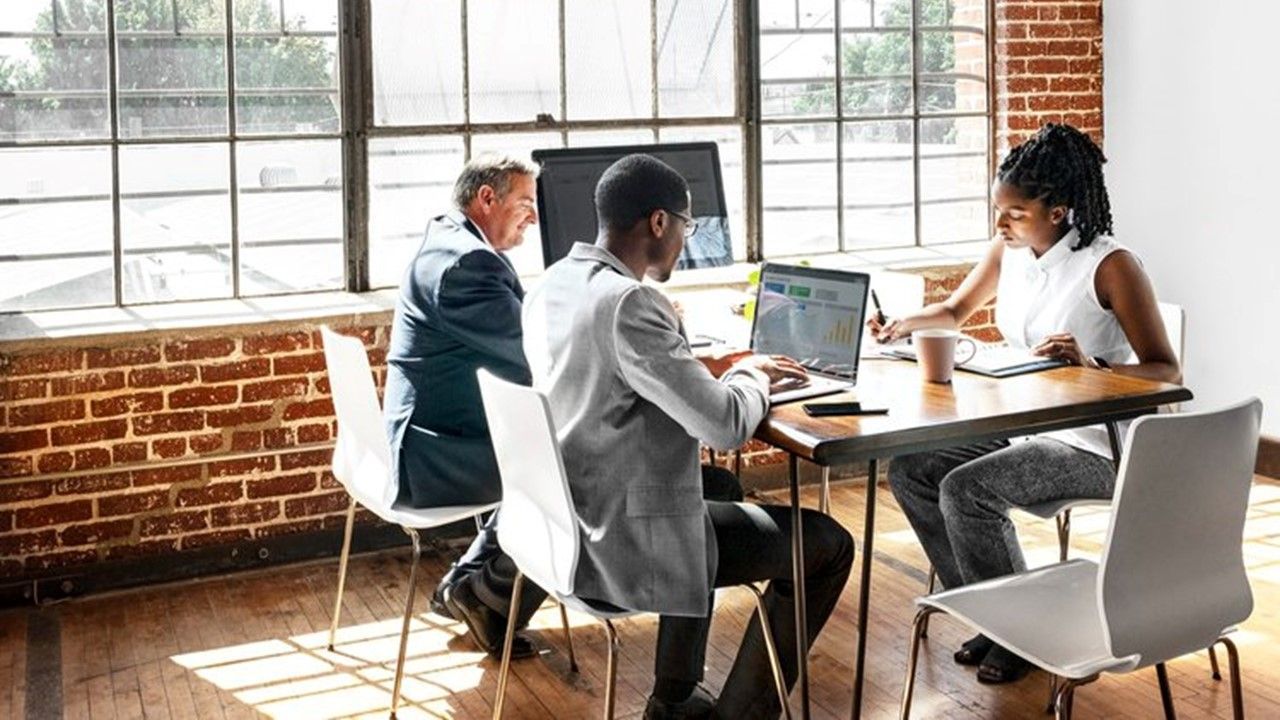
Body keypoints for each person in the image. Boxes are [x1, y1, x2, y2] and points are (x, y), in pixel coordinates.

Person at [523, 153, 855, 720]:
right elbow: (724, 424)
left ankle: (674, 695)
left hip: (564, 520)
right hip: (618, 542)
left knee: (719, 486)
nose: (684, 237)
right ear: (659, 223)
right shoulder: (631, 302)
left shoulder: (555, 282)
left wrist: (696, 363)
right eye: (686, 224)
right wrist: (751, 373)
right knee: (828, 546)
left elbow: (613, 372)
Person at [869, 123, 1182, 684]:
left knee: (967, 488)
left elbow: (1166, 369)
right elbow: (955, 312)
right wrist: (900, 325)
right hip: (1026, 425)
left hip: (1100, 443)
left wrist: (1095, 368)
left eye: (1014, 213)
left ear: (1058, 212)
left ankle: (1022, 632)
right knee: (913, 470)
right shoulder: (1008, 251)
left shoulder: (1111, 267)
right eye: (998, 210)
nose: (1000, 223)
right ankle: (993, 616)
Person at [383, 153, 546, 659]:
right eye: (525, 204)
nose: (534, 218)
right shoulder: (467, 266)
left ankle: (467, 584)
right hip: (432, 458)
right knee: (578, 470)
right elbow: (535, 352)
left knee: (553, 453)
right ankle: (489, 597)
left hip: (432, 436)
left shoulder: (451, 242)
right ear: (487, 199)